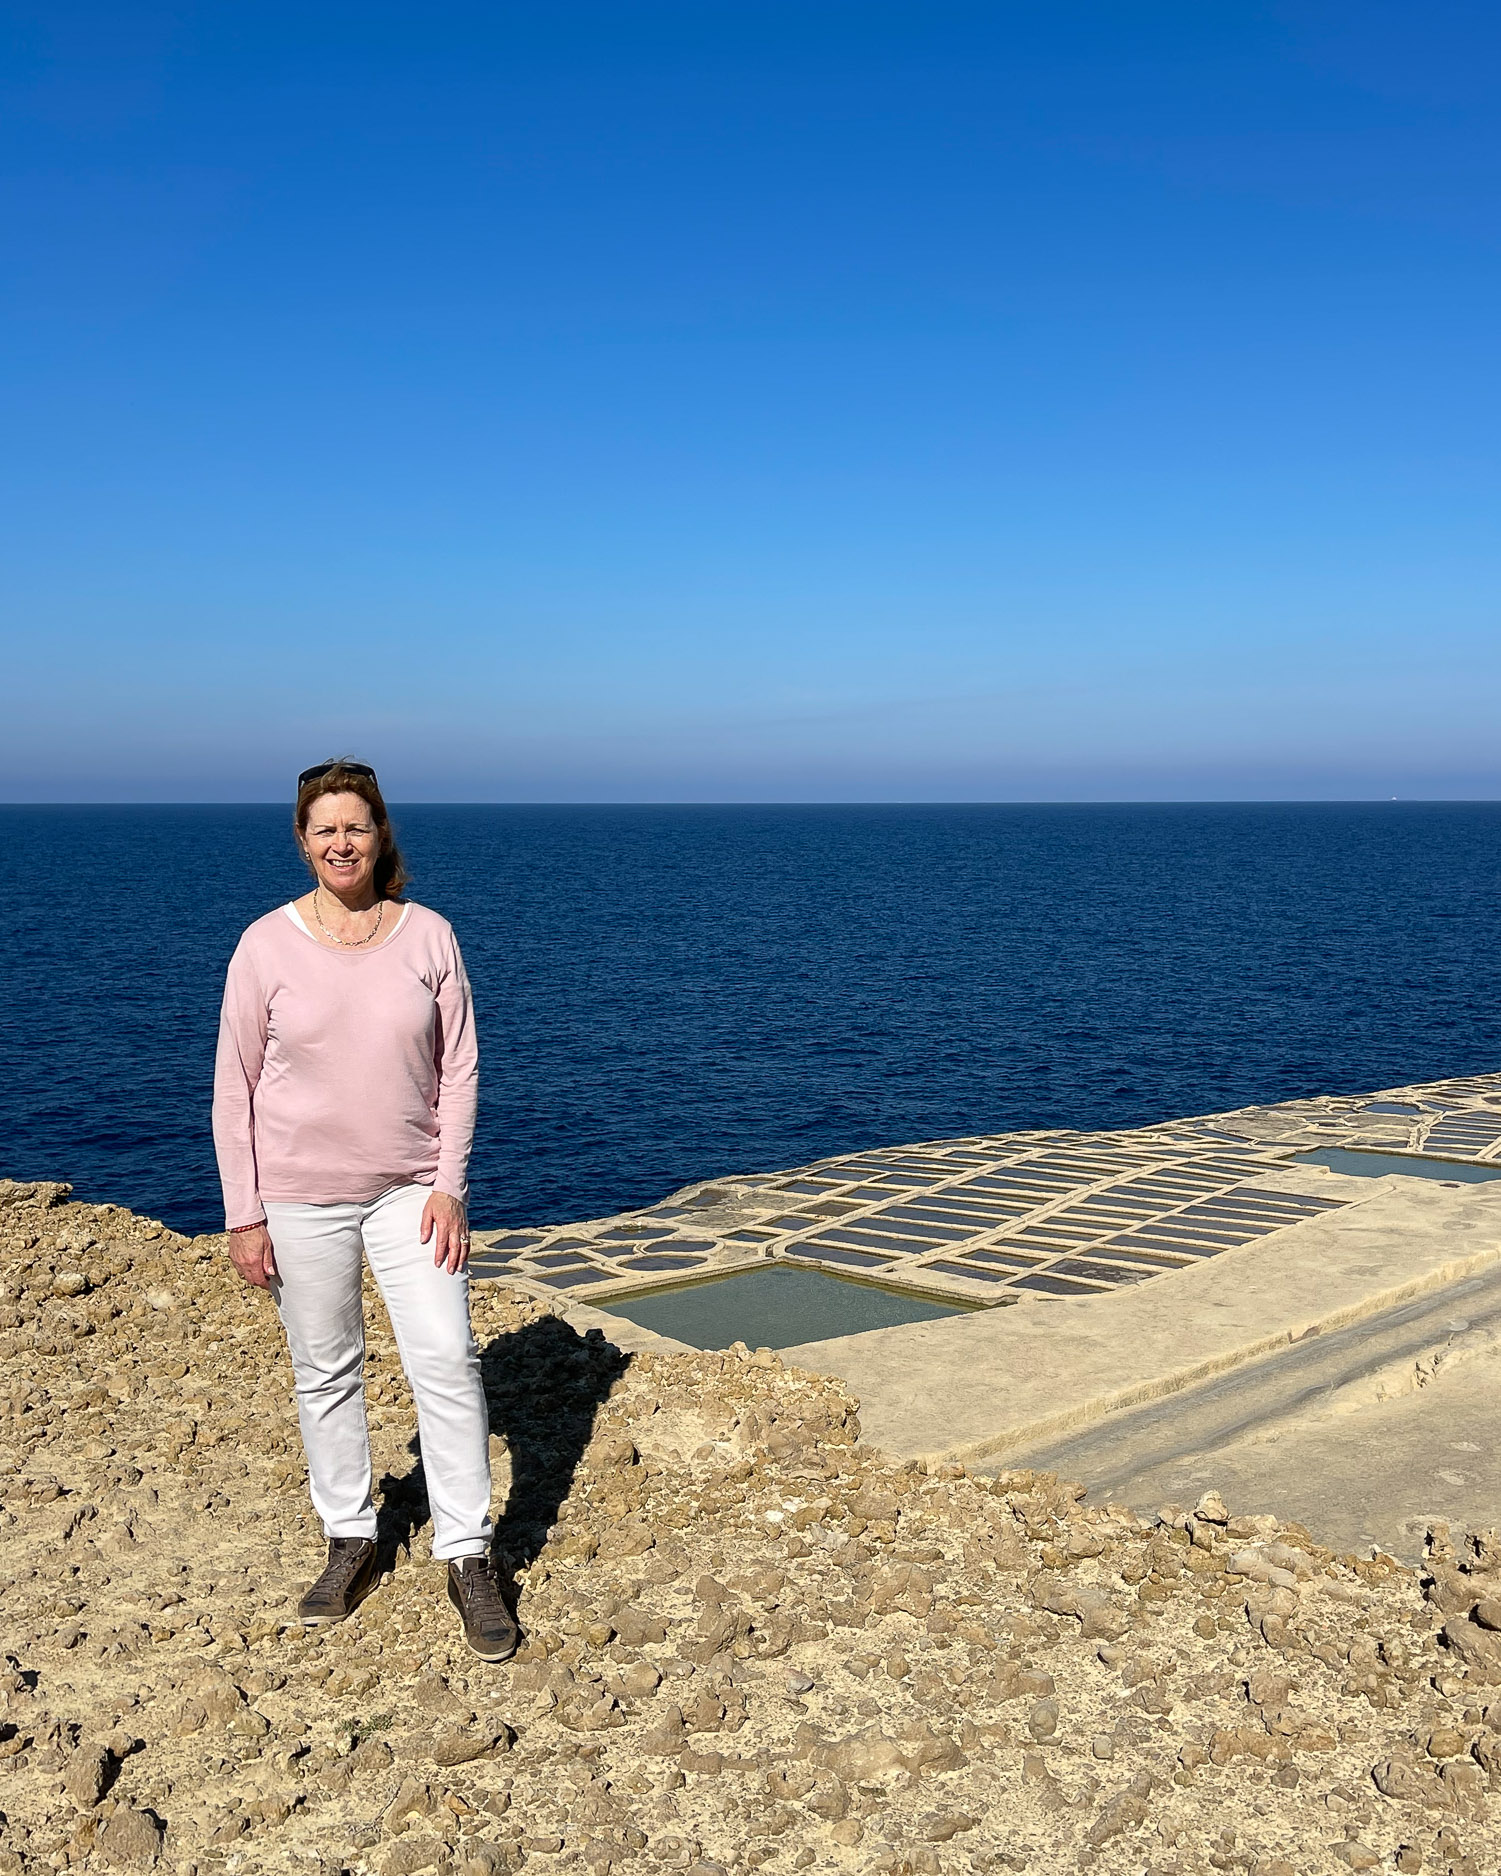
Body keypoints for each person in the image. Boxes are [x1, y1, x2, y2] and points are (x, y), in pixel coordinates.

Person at [211, 757, 516, 1660]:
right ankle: (351, 1536)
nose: (341, 842)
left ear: (381, 835)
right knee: (326, 1370)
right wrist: (243, 1214)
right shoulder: (264, 945)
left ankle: (467, 1552)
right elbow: (234, 1086)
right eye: (325, 829)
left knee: (447, 1359)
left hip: (410, 1190)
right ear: (302, 841)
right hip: (297, 1196)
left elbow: (459, 1067)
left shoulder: (428, 936)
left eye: (356, 826)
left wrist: (451, 1184)